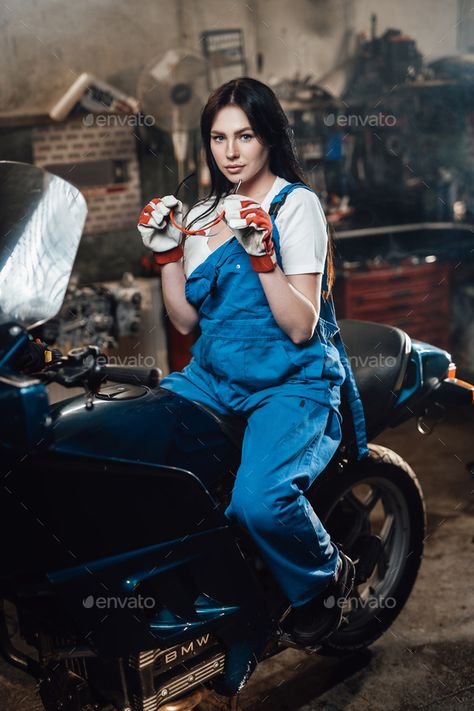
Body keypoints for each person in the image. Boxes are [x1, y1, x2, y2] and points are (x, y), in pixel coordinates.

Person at [137, 77, 368, 646]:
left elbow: (300, 326)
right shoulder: (202, 214)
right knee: (134, 456)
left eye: (245, 135)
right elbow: (186, 323)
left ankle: (325, 577)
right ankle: (196, 591)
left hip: (289, 383)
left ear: (269, 136)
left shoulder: (296, 206)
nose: (231, 152)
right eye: (218, 139)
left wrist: (263, 256)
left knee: (259, 502)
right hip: (212, 377)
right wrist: (168, 253)